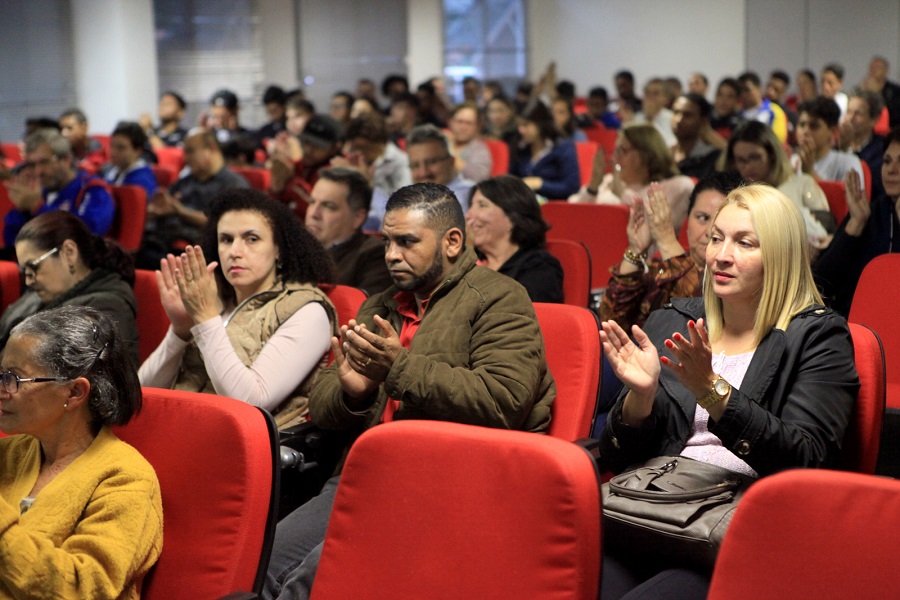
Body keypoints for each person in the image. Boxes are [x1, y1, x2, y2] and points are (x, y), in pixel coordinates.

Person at [262, 182, 555, 600]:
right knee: (262, 567)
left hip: (448, 487)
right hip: (364, 477)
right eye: (386, 242)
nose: (391, 255)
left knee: (308, 583)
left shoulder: (499, 299)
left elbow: (503, 400)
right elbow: (325, 407)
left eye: (407, 242)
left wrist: (396, 368)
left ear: (452, 241)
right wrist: (354, 395)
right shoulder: (380, 305)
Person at [598, 184, 858, 599]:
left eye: (744, 243)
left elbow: (807, 459)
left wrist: (712, 390)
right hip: (652, 516)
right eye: (716, 238)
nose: (720, 255)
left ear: (779, 255)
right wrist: (640, 398)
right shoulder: (674, 321)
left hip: (735, 530)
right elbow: (618, 456)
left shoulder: (818, 337)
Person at [0, 305, 163, 599]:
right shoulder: (9, 453)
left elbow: (84, 588)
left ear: (74, 393)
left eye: (13, 378)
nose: (1, 388)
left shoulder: (125, 479)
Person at [138, 189, 337, 428]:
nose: (234, 251)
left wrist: (204, 318)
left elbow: (249, 401)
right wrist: (180, 330)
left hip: (234, 447)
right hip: (175, 428)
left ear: (278, 250)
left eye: (251, 239)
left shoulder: (307, 310)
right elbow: (142, 392)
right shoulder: (215, 301)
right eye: (226, 239)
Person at [600, 171, 743, 333]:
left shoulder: (735, 280)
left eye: (720, 220)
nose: (710, 231)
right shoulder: (661, 269)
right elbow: (609, 323)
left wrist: (667, 240)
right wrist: (636, 250)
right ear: (687, 223)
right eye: (702, 218)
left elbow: (702, 319)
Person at [0, 210, 138, 360]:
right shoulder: (37, 295)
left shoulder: (107, 309)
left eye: (33, 267)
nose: (28, 281)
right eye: (24, 271)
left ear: (69, 252)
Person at [813, 128, 900, 316]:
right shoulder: (871, 213)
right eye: (887, 161)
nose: (892, 170)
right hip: (859, 325)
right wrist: (855, 225)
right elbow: (821, 283)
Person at [139, 130, 249, 267]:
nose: (185, 158)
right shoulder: (185, 181)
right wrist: (155, 209)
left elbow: (224, 224)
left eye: (190, 151)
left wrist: (180, 211)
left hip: (199, 252)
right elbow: (165, 205)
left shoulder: (233, 184)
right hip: (161, 243)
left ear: (211, 149)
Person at [718, 120, 832, 245]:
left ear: (772, 155)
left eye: (755, 158)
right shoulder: (731, 194)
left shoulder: (801, 183)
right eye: (741, 160)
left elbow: (826, 226)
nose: (748, 166)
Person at [569, 124, 694, 234]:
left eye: (622, 150)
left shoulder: (678, 186)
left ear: (646, 154)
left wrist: (622, 193)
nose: (615, 157)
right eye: (615, 150)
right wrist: (593, 187)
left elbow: (655, 227)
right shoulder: (607, 181)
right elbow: (570, 216)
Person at [3, 129, 115, 247]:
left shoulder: (93, 189)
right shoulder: (42, 192)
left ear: (66, 159)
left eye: (44, 162)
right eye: (32, 165)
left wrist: (39, 207)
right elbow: (11, 242)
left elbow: (88, 234)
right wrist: (21, 211)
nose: (38, 171)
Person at [466, 175, 563, 303]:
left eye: (482, 205)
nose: (468, 215)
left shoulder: (539, 268)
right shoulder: (471, 259)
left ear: (512, 218)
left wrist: (466, 260)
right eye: (471, 206)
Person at [306, 167, 392, 294]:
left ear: (358, 217)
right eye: (312, 202)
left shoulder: (375, 257)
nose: (314, 214)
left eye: (329, 206)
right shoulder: (293, 250)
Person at [793, 97, 865, 192]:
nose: (805, 131)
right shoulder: (792, 160)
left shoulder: (847, 162)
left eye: (814, 126)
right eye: (802, 125)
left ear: (833, 131)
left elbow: (846, 202)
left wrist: (810, 172)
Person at [511, 101, 580, 200]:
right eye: (519, 125)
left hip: (554, 206)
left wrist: (541, 184)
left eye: (526, 125)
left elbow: (571, 187)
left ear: (540, 123)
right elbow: (511, 177)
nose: (521, 130)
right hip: (523, 206)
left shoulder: (563, 147)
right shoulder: (520, 146)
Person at [406, 124, 475, 211]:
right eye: (415, 165)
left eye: (432, 162)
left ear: (451, 162)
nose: (423, 172)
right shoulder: (405, 202)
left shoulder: (473, 198)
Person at [839, 88, 886, 199]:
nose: (850, 118)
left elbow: (867, 180)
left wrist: (846, 151)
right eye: (848, 112)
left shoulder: (882, 149)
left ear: (873, 119)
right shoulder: (835, 145)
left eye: (858, 114)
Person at [670, 93, 723, 180]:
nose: (678, 120)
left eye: (687, 115)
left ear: (703, 120)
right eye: (675, 112)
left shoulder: (712, 159)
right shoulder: (665, 155)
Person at [104, 121, 158, 197]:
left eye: (121, 148)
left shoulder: (142, 181)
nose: (113, 153)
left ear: (138, 150)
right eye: (112, 146)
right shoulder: (111, 171)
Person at [446, 103, 493, 182]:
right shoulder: (442, 141)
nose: (463, 127)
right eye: (459, 121)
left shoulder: (480, 149)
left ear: (477, 126)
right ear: (451, 122)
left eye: (469, 123)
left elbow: (479, 178)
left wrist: (449, 157)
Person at [628, 78, 676, 147]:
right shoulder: (635, 118)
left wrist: (650, 120)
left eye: (655, 93)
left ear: (666, 99)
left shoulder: (672, 118)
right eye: (647, 92)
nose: (650, 97)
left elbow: (670, 144)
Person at [59, 108, 107, 173]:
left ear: (84, 128)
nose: (64, 134)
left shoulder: (100, 149)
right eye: (61, 129)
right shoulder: (63, 154)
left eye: (69, 128)